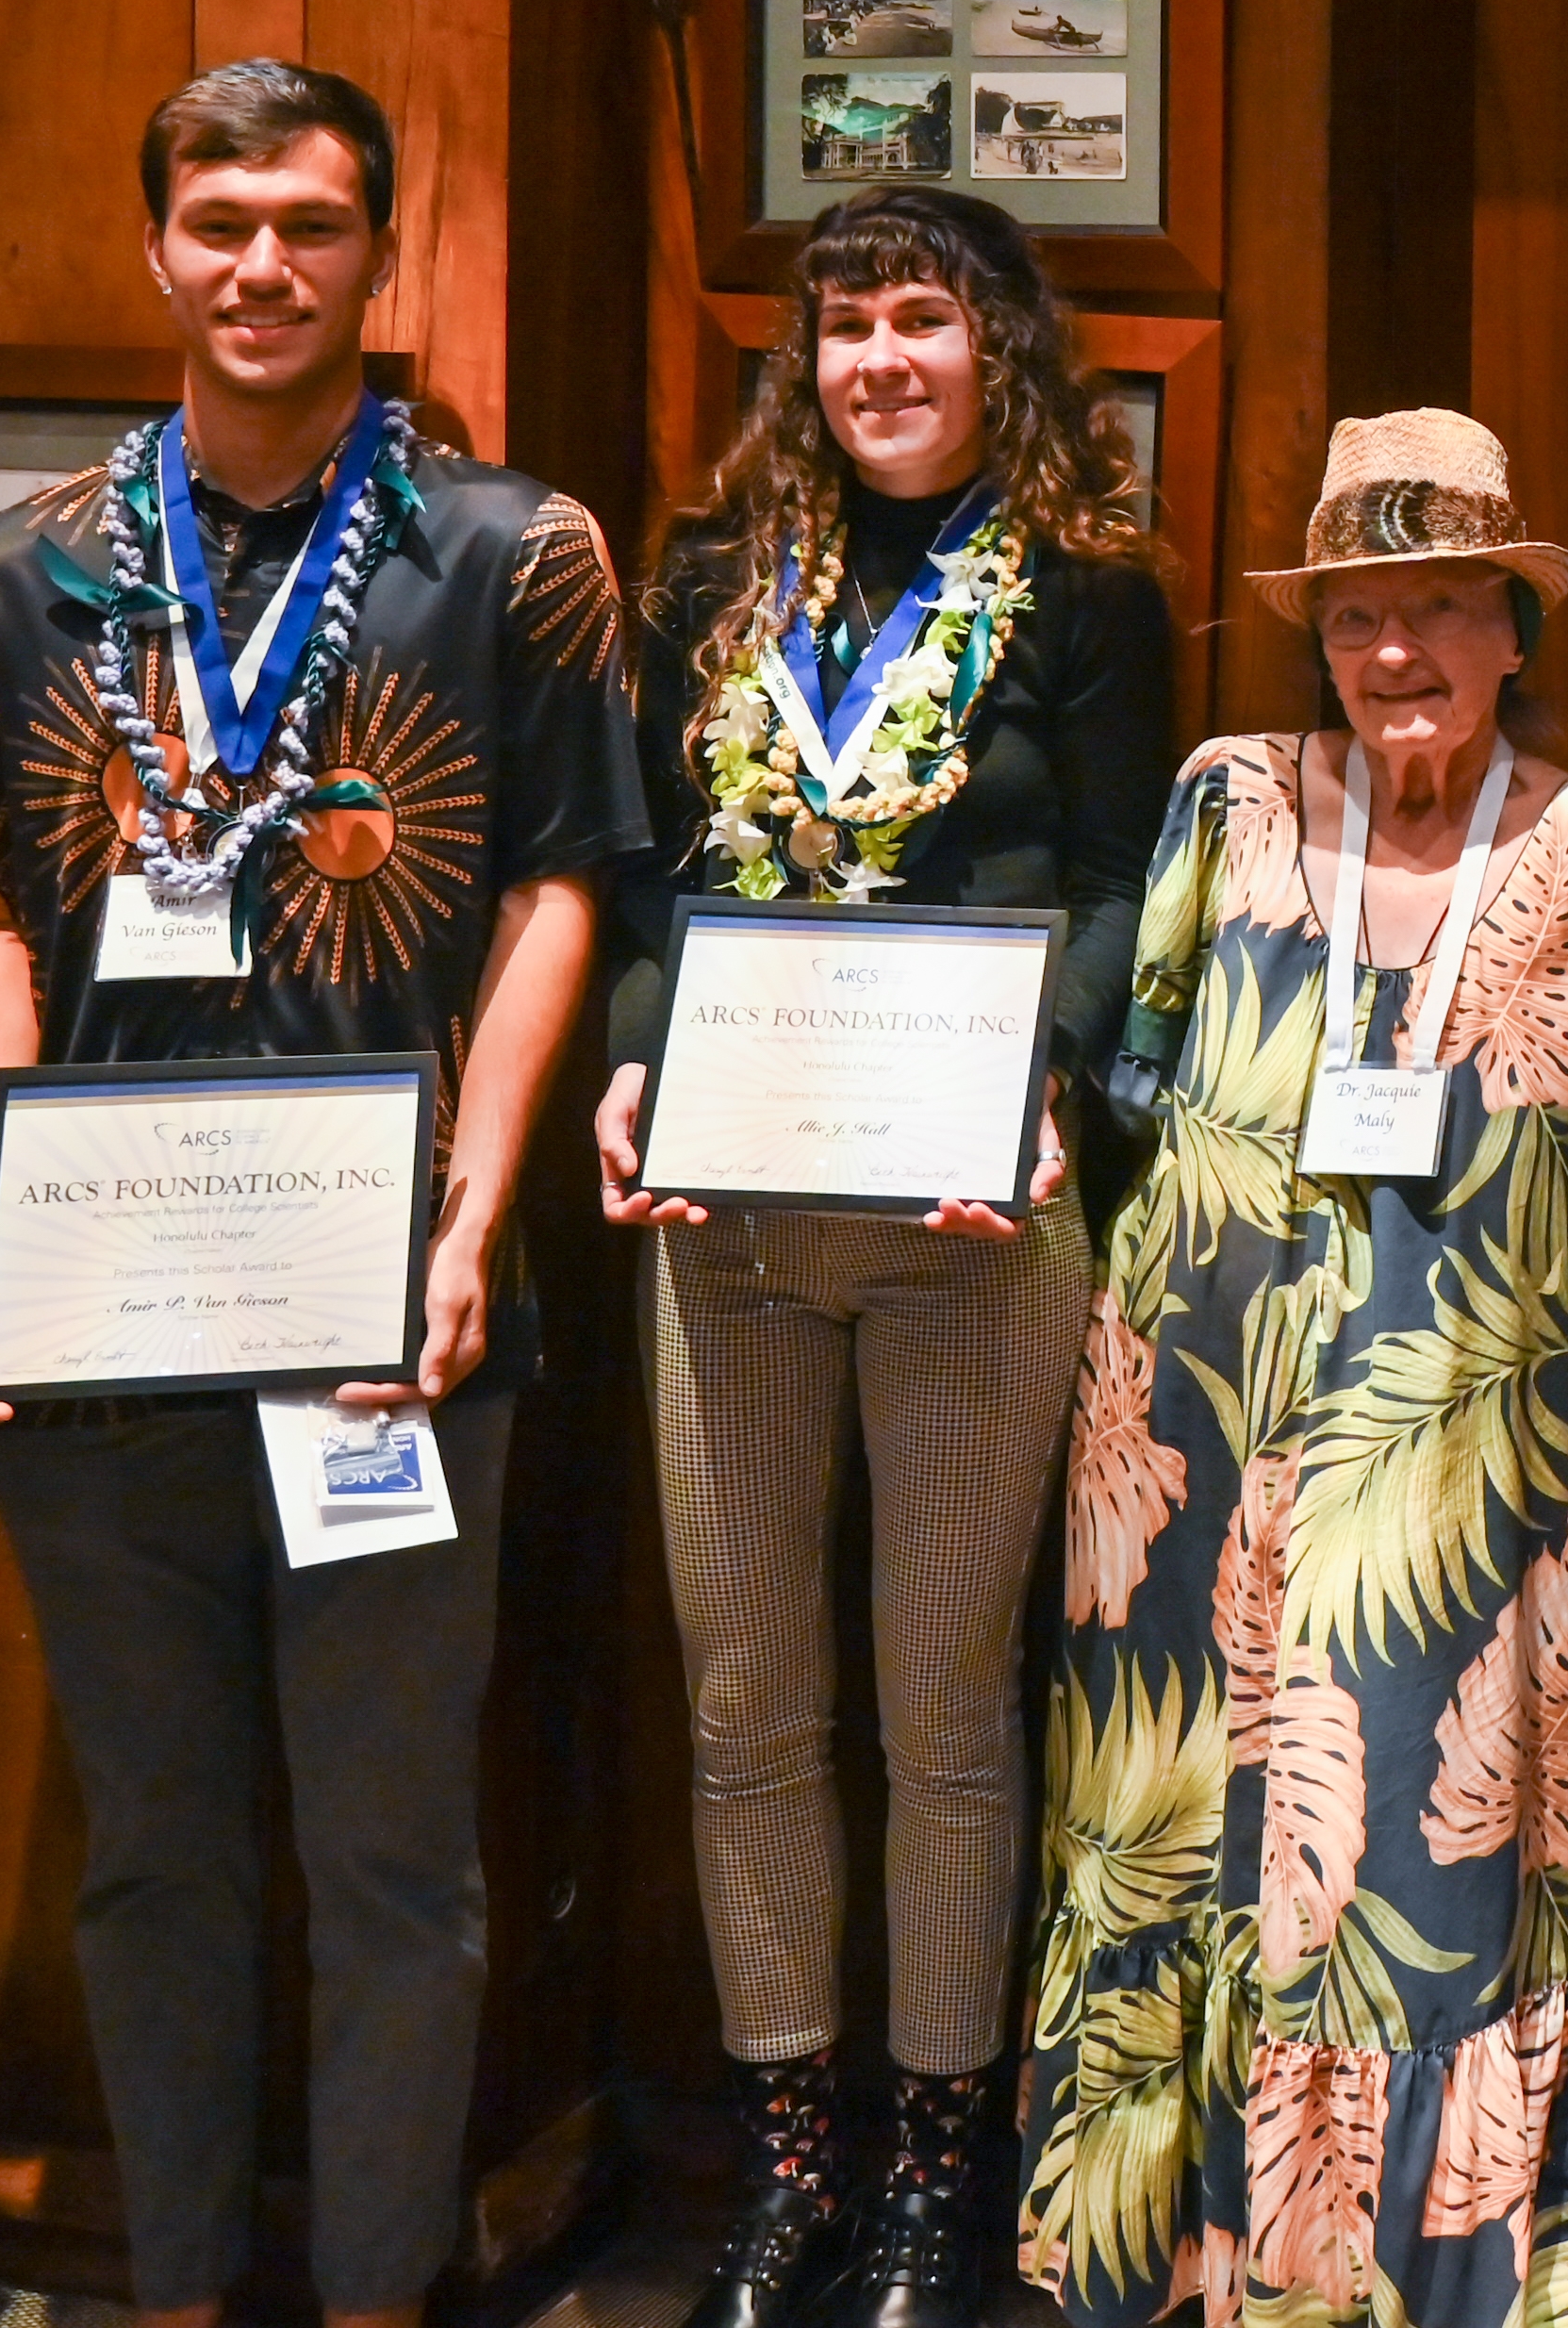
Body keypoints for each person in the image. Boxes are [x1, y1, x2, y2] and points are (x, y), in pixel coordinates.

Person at [0, 60, 646, 2328]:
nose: (261, 264)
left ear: (377, 253)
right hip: (98, 1313)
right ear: (157, 249)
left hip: (391, 1311)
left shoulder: (514, 552)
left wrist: (474, 1210)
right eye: (218, 220)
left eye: (309, 222)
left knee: (395, 1868)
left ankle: (383, 2295)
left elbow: (567, 893)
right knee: (157, 1864)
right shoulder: (8, 571)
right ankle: (184, 2297)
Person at [1022, 410, 1568, 2328]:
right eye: (1357, 614)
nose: (1395, 652)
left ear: (1515, 626)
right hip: (1183, 1447)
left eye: (1439, 607)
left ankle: (1425, 2279)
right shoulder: (1222, 802)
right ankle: (1187, 2257)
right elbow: (1132, 1083)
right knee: (1174, 1838)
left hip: (1472, 1466)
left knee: (1429, 1867)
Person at [588, 184, 1177, 2328]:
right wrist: (635, 1070)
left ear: (995, 347)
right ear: (799, 366)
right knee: (746, 1713)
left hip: (973, 1212)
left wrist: (1055, 1086)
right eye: (843, 332)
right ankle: (787, 2169)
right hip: (725, 1220)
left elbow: (1119, 883)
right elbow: (651, 881)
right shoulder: (711, 578)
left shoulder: (1090, 597)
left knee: (944, 1718)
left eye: (922, 321)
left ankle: (940, 2173)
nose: (880, 366)